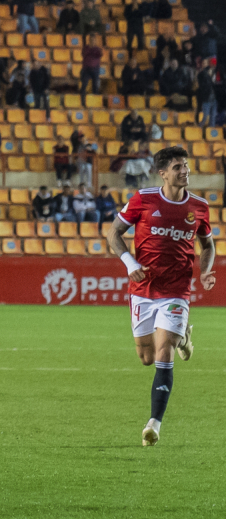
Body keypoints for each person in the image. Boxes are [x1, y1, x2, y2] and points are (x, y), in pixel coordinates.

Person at [106, 146, 213, 447]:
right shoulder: (143, 199)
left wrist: (205, 271)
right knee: (146, 358)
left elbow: (207, 245)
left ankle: (154, 424)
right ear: (163, 173)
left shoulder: (199, 206)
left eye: (186, 165)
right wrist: (130, 264)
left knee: (164, 353)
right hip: (143, 289)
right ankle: (184, 339)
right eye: (178, 167)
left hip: (177, 290)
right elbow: (113, 233)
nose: (185, 171)